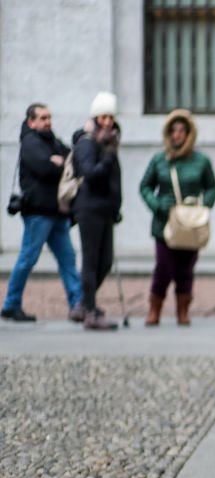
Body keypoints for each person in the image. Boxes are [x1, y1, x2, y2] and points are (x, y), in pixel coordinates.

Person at [1, 103, 83, 323]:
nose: (47, 121)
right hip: (38, 213)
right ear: (31, 122)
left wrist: (59, 162)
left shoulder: (53, 142)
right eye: (42, 118)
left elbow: (71, 161)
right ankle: (11, 304)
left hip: (57, 213)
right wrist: (57, 164)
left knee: (68, 259)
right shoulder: (30, 143)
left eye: (49, 117)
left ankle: (77, 303)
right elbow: (45, 168)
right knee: (28, 258)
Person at [139, 109, 215, 326]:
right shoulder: (159, 160)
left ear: (189, 133)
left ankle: (183, 310)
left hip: (191, 223)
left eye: (182, 130)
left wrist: (203, 207)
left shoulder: (200, 161)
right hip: (164, 223)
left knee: (186, 268)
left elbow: (212, 188)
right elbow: (145, 186)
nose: (177, 135)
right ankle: (155, 307)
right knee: (163, 267)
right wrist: (156, 204)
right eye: (173, 131)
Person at [71, 92, 122, 331]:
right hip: (89, 208)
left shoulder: (108, 141)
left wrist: (115, 206)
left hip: (105, 210)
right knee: (91, 261)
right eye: (103, 117)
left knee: (105, 261)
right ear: (95, 117)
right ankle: (90, 311)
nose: (108, 122)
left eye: (111, 117)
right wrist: (109, 158)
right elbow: (90, 174)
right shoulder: (87, 142)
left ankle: (83, 304)